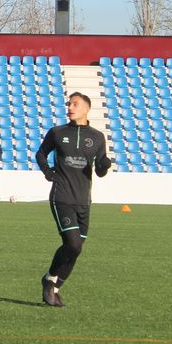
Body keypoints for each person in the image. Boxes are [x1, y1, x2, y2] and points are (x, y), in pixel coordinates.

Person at [36, 92, 112, 308]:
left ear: (86, 109)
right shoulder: (57, 132)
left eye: (75, 104)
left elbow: (99, 172)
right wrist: (48, 172)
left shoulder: (97, 137)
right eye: (69, 103)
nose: (70, 107)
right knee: (73, 242)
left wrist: (104, 165)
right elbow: (40, 153)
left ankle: (55, 286)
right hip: (61, 196)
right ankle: (49, 278)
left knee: (76, 249)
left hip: (83, 200)